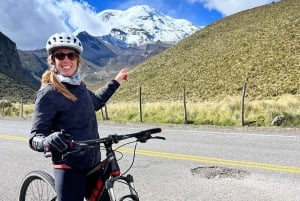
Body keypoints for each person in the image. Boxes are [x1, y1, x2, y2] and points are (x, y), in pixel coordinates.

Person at [29, 32, 128, 201]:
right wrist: (46, 141)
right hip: (68, 166)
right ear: (53, 60)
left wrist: (116, 81)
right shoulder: (48, 93)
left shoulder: (80, 86)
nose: (66, 59)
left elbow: (95, 102)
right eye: (60, 55)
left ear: (77, 60)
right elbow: (34, 138)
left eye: (71, 55)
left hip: (93, 163)